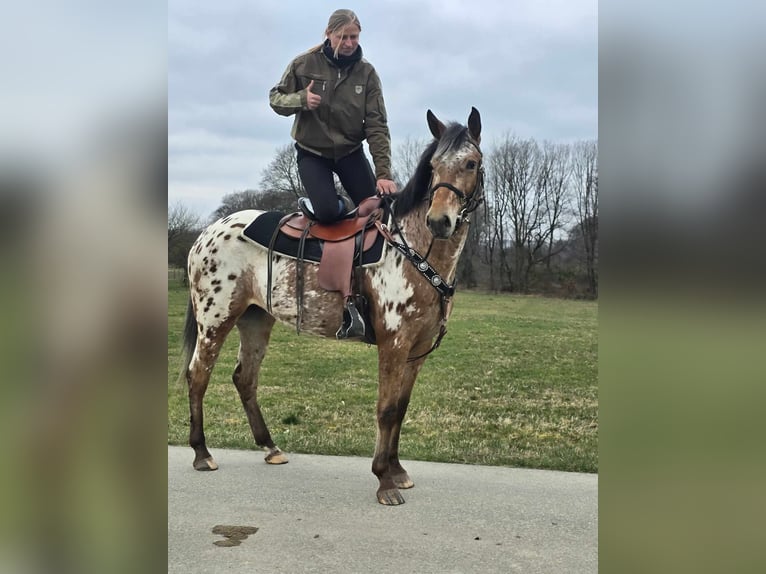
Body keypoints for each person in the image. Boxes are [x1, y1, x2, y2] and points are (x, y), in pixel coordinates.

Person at [269, 8, 397, 225]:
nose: (348, 43)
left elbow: (377, 126)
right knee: (327, 212)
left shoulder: (367, 74)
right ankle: (340, 207)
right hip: (313, 153)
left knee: (381, 211)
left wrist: (383, 174)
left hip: (350, 152)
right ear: (329, 34)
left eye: (353, 37)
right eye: (342, 37)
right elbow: (275, 99)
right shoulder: (304, 64)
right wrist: (301, 100)